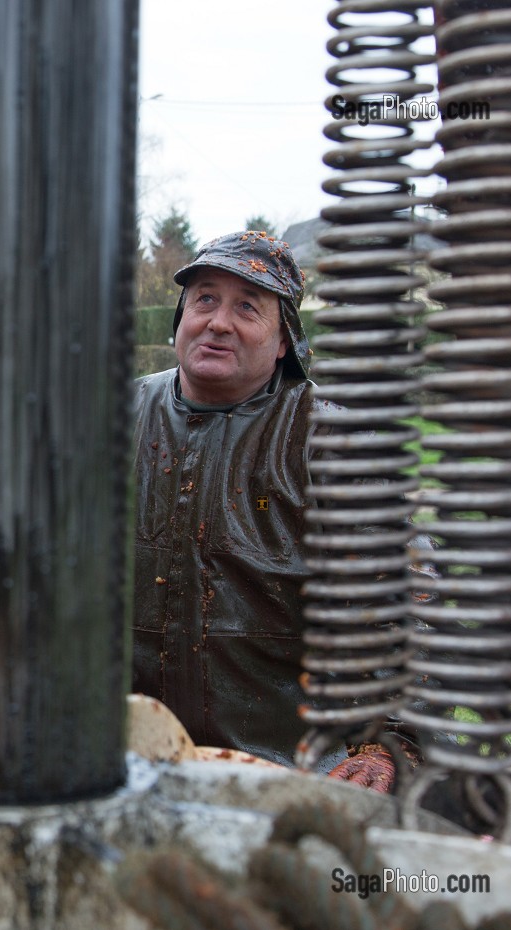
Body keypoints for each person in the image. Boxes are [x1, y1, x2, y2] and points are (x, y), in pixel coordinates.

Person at [131, 230, 399, 788]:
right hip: (128, 753)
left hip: (289, 766)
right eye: (205, 299)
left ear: (283, 343)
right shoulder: (116, 414)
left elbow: (404, 599)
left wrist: (388, 743)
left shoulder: (330, 438)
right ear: (181, 319)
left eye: (247, 307)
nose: (219, 321)